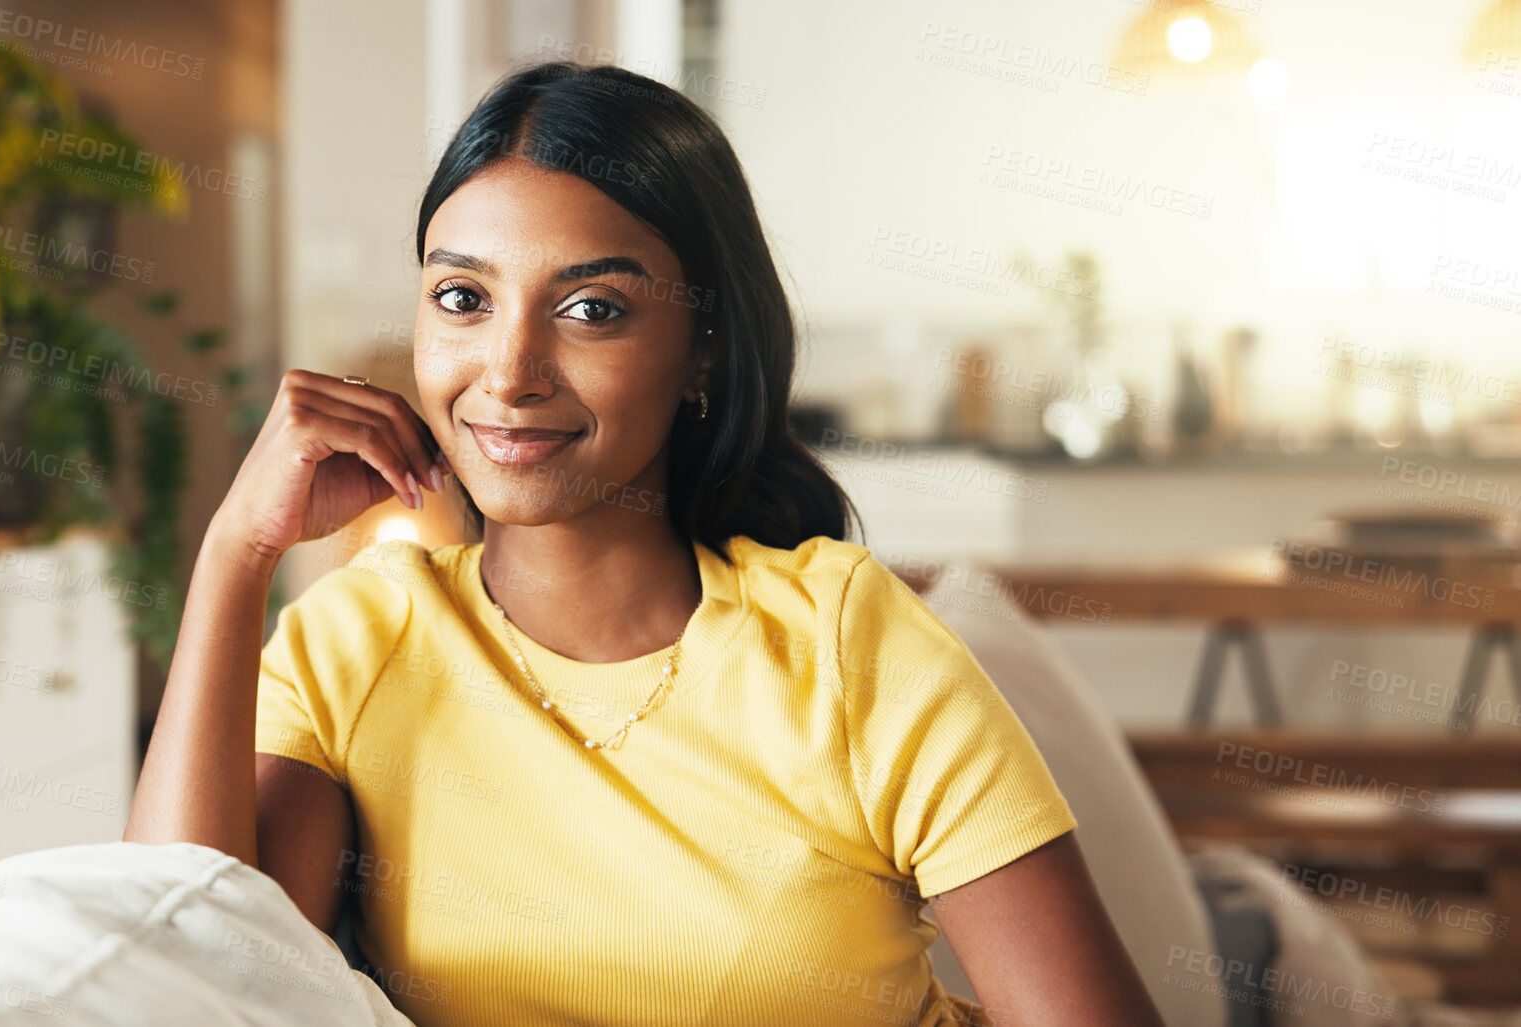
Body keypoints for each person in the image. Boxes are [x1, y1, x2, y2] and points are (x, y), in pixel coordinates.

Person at [125, 61, 1165, 1027]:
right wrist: (233, 553)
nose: (511, 369)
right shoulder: (358, 637)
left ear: (701, 345)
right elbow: (192, 979)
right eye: (462, 298)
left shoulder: (845, 640)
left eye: (592, 309)